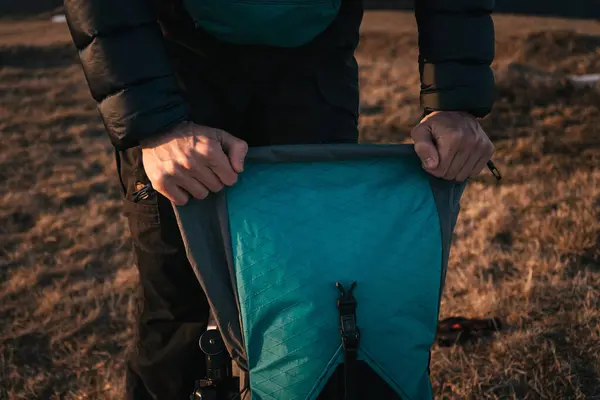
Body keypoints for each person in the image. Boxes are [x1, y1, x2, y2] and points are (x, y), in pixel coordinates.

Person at [64, 0, 496, 398]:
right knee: (178, 298)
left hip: (315, 67)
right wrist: (155, 123)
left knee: (315, 303)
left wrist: (455, 101)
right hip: (173, 63)